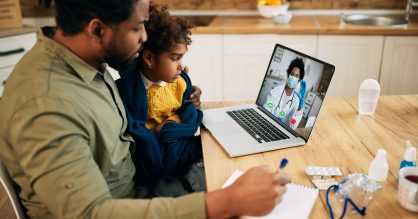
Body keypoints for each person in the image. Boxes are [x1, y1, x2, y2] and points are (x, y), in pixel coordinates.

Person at [0, 0, 290, 218]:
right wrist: (227, 201)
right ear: (97, 29)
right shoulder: (47, 106)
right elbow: (93, 213)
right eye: (138, 28)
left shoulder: (84, 57)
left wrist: (176, 87)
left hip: (139, 185)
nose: (143, 39)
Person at [116, 3, 204, 197]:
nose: (181, 66)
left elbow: (188, 111)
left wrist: (170, 126)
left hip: (175, 140)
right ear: (149, 59)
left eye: (182, 58)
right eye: (175, 58)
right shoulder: (128, 89)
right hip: (152, 152)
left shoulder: (179, 83)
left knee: (207, 146)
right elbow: (134, 131)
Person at [264, 58, 305, 128]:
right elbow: (266, 110)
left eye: (296, 76)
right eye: (292, 74)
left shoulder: (296, 100)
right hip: (266, 124)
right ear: (288, 75)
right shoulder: (275, 91)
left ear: (299, 80)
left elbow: (293, 126)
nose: (293, 77)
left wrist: (300, 108)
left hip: (280, 129)